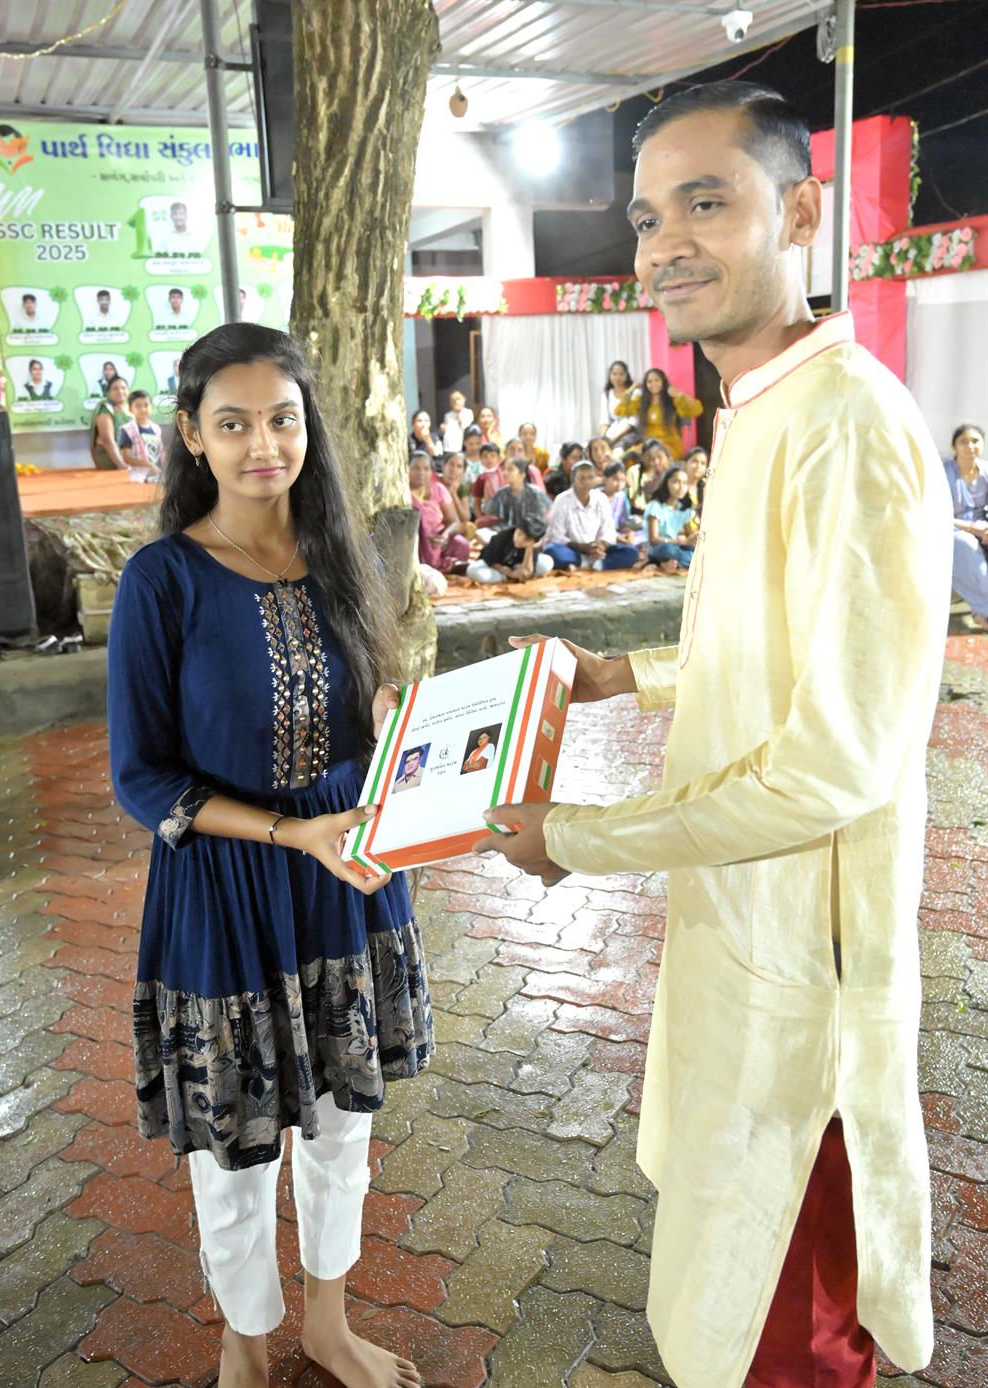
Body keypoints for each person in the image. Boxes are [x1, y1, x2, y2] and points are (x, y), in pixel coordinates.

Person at [475, 80, 951, 1388]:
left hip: (807, 970)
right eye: (645, 217)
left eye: (705, 203)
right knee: (730, 1275)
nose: (664, 244)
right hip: (742, 925)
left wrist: (579, 835)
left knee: (783, 1327)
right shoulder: (763, 408)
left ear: (799, 212)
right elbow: (766, 642)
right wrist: (617, 675)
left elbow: (832, 759)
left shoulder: (846, 427)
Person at [107, 322, 430, 1388]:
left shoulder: (343, 557)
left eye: (283, 419)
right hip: (227, 886)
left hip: (346, 876)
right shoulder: (162, 579)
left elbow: (366, 727)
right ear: (193, 435)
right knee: (235, 1144)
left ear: (308, 427)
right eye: (234, 422)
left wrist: (398, 737)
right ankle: (243, 1342)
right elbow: (140, 775)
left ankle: (329, 1326)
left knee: (343, 1126)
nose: (263, 444)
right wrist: (290, 830)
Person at [543, 459, 639, 571]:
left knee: (631, 552)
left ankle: (596, 564)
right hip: (573, 550)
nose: (586, 482)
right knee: (551, 551)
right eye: (582, 478)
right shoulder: (562, 500)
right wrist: (584, 548)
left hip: (596, 550)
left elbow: (609, 531)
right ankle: (584, 562)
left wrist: (601, 545)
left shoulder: (601, 499)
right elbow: (557, 536)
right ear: (573, 479)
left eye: (590, 478)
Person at [943, 422, 988, 630]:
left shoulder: (985, 470)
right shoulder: (943, 472)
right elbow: (937, 513)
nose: (970, 446)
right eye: (964, 441)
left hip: (981, 528)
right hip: (951, 528)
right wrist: (972, 528)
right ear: (954, 446)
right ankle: (983, 610)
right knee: (965, 543)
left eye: (975, 441)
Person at [408, 451, 470, 573]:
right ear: (407, 470)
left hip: (439, 539)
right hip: (415, 543)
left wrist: (444, 535)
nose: (421, 472)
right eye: (416, 468)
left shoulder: (438, 489)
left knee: (462, 544)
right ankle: (438, 566)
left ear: (431, 471)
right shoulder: (402, 493)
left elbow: (454, 521)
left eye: (426, 468)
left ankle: (444, 566)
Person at [637, 367, 703, 460]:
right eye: (649, 381)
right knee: (630, 456)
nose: (653, 384)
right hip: (649, 445)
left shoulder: (672, 399)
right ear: (645, 384)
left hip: (669, 445)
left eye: (657, 380)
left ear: (663, 382)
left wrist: (679, 395)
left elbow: (697, 410)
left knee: (657, 457)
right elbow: (619, 410)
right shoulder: (641, 401)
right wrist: (631, 389)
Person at [465, 515, 554, 585]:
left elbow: (527, 573)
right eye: (519, 534)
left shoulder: (534, 544)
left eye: (526, 539)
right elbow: (489, 558)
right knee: (472, 570)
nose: (520, 540)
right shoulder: (503, 536)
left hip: (517, 566)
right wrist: (510, 573)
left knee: (547, 562)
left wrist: (529, 548)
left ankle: (511, 577)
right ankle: (506, 578)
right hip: (498, 568)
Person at [644, 465, 696, 571]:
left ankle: (668, 563)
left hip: (676, 546)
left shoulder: (683, 509)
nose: (681, 487)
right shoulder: (655, 506)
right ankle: (663, 562)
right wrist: (680, 542)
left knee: (697, 551)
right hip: (659, 547)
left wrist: (694, 538)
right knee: (668, 550)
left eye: (685, 483)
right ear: (666, 483)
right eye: (676, 482)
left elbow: (689, 535)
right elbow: (653, 539)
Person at [484, 457, 550, 535]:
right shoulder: (501, 493)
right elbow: (489, 511)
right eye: (504, 469)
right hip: (505, 532)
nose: (505, 473)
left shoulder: (536, 494)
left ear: (522, 475)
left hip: (529, 534)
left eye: (510, 469)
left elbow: (542, 522)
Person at [90, 375, 132, 469]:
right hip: (109, 458)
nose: (120, 391)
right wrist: (122, 465)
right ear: (108, 393)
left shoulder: (130, 408)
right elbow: (107, 439)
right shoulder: (105, 409)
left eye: (123, 388)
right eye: (115, 389)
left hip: (127, 456)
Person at [119, 391, 164, 474]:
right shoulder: (127, 430)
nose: (143, 409)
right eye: (138, 406)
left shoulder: (156, 429)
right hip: (137, 474)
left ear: (151, 407)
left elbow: (161, 452)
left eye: (146, 405)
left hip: (157, 472)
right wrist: (149, 465)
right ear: (130, 409)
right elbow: (127, 458)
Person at [625, 438, 672, 514]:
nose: (656, 462)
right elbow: (636, 502)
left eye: (659, 457)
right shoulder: (635, 472)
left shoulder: (669, 473)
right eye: (651, 457)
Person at [599, 360, 640, 443]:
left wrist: (615, 439)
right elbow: (604, 420)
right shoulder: (606, 394)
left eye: (621, 374)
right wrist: (601, 439)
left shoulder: (634, 392)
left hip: (630, 433)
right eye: (614, 374)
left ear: (626, 375)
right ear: (610, 375)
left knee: (618, 449)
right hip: (612, 431)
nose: (617, 377)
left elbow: (633, 421)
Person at [602, 460, 640, 542]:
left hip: (617, 533)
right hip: (601, 536)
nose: (619, 484)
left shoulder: (621, 497)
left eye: (622, 480)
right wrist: (616, 537)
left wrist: (630, 533)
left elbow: (623, 523)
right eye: (615, 479)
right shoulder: (596, 496)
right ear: (605, 479)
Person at [471, 442, 506, 526]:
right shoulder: (481, 478)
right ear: (480, 459)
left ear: (499, 458)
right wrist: (480, 518)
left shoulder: (506, 475)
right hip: (489, 516)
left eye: (492, 456)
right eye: (485, 456)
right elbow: (477, 502)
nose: (489, 459)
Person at [440, 451, 474, 527]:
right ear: (443, 466)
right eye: (451, 464)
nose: (454, 469)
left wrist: (454, 495)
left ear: (463, 471)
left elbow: (466, 518)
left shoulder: (461, 488)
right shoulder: (434, 483)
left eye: (459, 466)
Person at [441, 389, 474, 453]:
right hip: (448, 446)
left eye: (458, 399)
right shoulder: (447, 415)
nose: (456, 402)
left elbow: (466, 428)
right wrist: (443, 428)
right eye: (453, 401)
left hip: (461, 445)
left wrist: (458, 414)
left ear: (464, 399)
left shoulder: (468, 412)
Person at [683, 444, 708, 513]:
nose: (698, 466)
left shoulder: (706, 487)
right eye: (695, 461)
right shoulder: (677, 485)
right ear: (685, 464)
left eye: (703, 463)